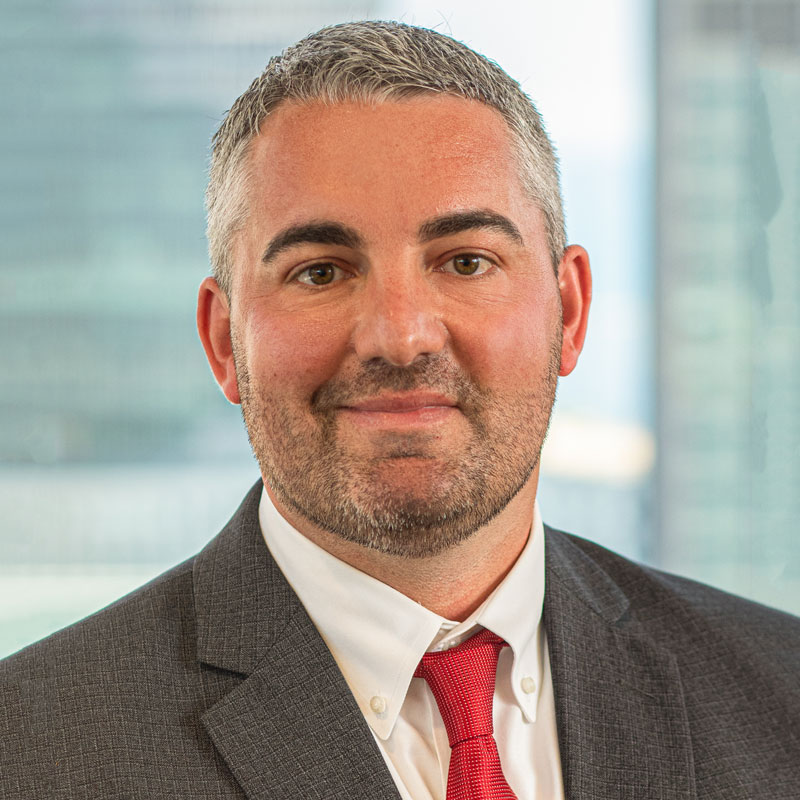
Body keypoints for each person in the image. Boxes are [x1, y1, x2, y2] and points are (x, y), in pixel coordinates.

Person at [2, 20, 799, 800]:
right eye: (320, 272)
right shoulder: (29, 751)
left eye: (466, 261)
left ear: (570, 312)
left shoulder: (781, 695)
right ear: (223, 340)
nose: (401, 335)